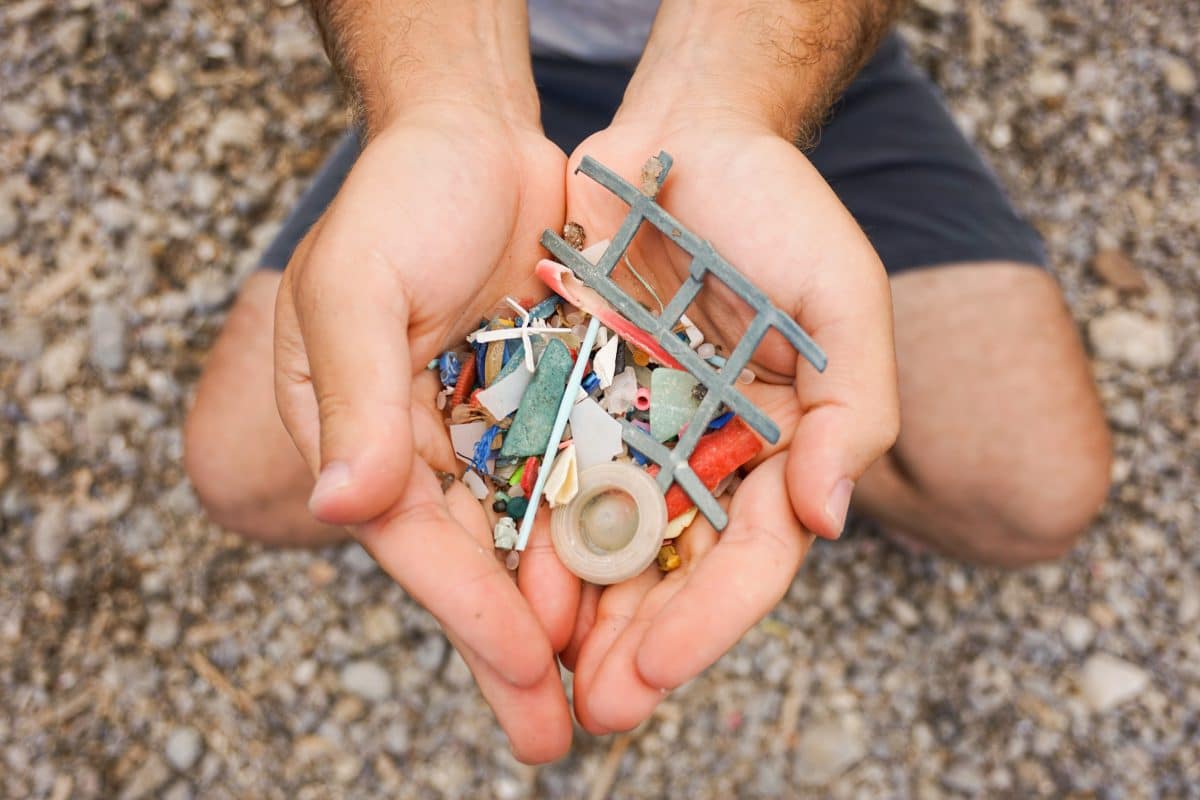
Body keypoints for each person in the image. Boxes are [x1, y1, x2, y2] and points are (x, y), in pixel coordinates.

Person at [183, 0, 1112, 763]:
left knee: (1033, 492)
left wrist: (730, 103)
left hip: (778, 58)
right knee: (245, 474)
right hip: (462, 62)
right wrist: (444, 104)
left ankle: (772, 458)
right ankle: (751, 460)